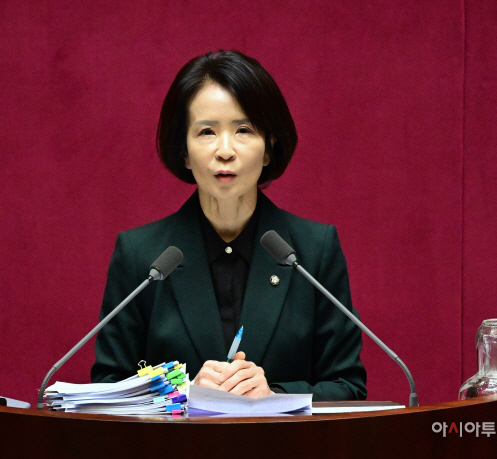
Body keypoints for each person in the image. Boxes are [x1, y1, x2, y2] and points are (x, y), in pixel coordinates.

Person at [91, 50, 366, 401]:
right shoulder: (141, 256)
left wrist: (275, 395)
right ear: (184, 151)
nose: (225, 150)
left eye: (243, 130)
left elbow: (349, 388)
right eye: (207, 131)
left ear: (269, 148)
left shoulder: (314, 250)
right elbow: (107, 389)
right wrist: (183, 393)